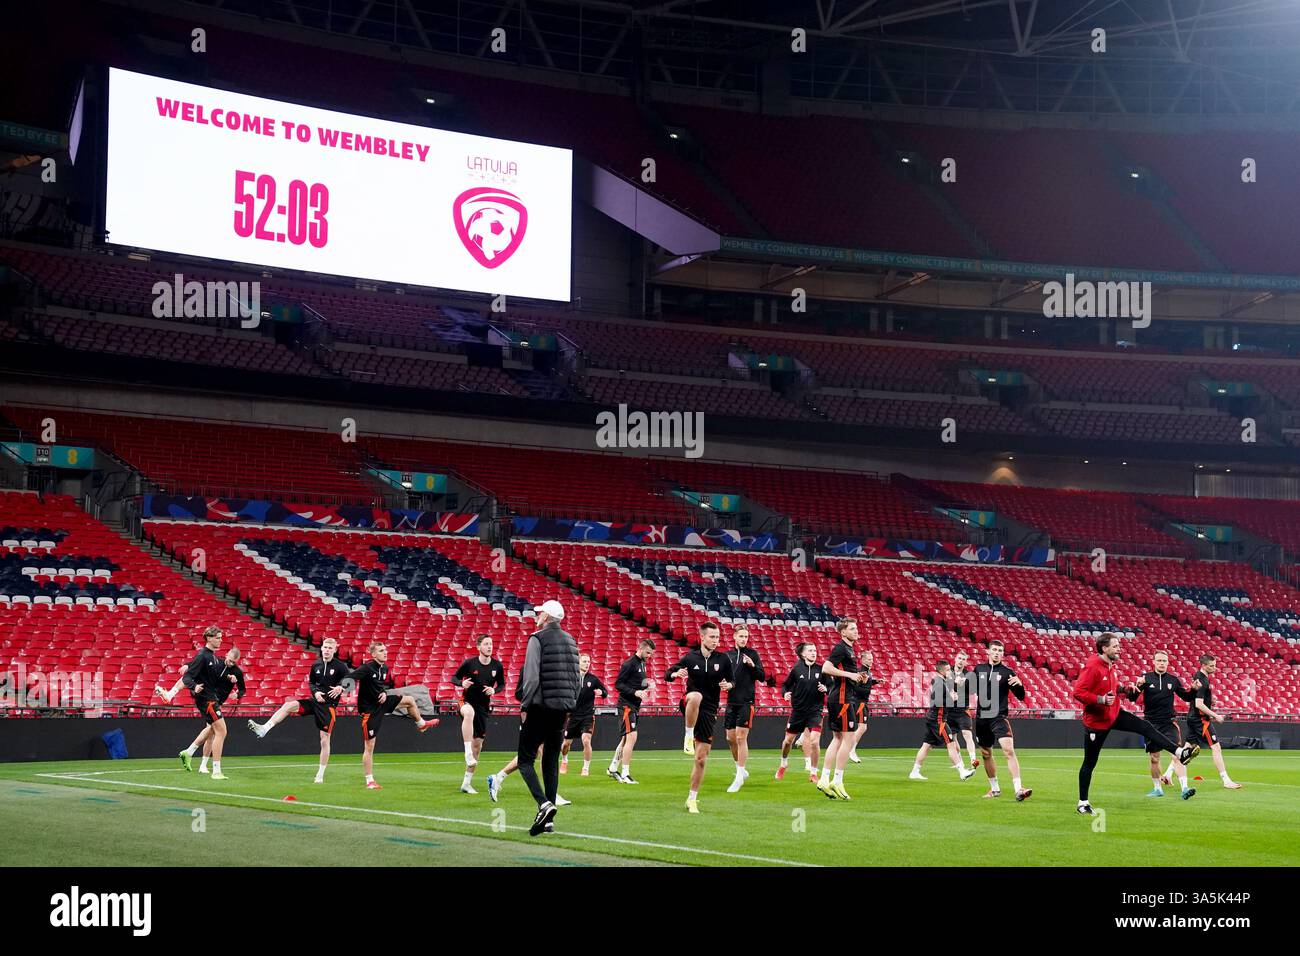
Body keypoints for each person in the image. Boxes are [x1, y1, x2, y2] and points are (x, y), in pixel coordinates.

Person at [1073, 634, 1200, 815]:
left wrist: (1125, 689)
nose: (1119, 648)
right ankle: (1082, 803)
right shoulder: (1093, 666)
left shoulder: (1111, 666)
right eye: (1115, 646)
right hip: (1097, 722)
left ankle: (1180, 752)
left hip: (1114, 713)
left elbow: (1112, 688)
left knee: (1145, 727)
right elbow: (1078, 692)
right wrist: (1100, 699)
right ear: (1104, 648)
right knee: (1090, 762)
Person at [513, 600, 580, 836]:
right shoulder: (571, 641)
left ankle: (543, 805)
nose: (537, 615)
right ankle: (549, 823)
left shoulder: (537, 638)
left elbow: (531, 678)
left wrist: (525, 704)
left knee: (524, 760)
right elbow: (577, 680)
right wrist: (569, 704)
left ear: (547, 616)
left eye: (540, 612)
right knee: (550, 762)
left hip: (540, 708)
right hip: (562, 710)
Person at [248, 637, 350, 783]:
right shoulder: (316, 665)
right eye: (325, 647)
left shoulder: (341, 667)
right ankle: (264, 728)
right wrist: (315, 693)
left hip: (328, 707)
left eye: (330, 648)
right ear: (321, 648)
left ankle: (320, 775)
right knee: (288, 705)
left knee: (324, 740)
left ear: (335, 649)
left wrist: (341, 687)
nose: (327, 650)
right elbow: (312, 683)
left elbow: (351, 683)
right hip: (314, 701)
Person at [664, 621, 734, 813]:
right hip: (690, 703)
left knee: (701, 759)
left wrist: (730, 686)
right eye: (712, 637)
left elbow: (732, 680)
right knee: (696, 695)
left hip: (710, 711)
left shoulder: (724, 659)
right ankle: (688, 735)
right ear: (702, 637)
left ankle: (692, 799)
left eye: (718, 637)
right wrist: (676, 673)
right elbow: (667, 674)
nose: (715, 641)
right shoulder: (690, 657)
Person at [349, 641, 435, 790]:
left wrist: (382, 692)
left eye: (385, 650)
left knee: (409, 700)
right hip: (370, 711)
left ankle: (421, 724)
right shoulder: (366, 668)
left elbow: (378, 687)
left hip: (381, 703)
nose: (385, 652)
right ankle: (369, 781)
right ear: (374, 654)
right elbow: (349, 678)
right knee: (369, 746)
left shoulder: (385, 668)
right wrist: (342, 690)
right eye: (381, 650)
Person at [1130, 650, 1196, 798]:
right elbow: (1133, 698)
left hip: (1168, 723)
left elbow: (1186, 697)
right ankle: (1157, 788)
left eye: (1164, 661)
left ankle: (1185, 788)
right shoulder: (1145, 678)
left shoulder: (1173, 680)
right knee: (1154, 757)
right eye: (1159, 660)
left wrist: (1194, 690)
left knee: (1177, 755)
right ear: (1153, 662)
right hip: (1151, 724)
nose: (1161, 663)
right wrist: (1137, 685)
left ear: (1168, 663)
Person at [971, 640, 1031, 801]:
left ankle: (1019, 789)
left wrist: (1020, 685)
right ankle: (995, 788)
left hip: (998, 717)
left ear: (1002, 654)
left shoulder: (1007, 672)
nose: (997, 653)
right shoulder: (979, 669)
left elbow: (1021, 696)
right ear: (988, 652)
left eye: (1000, 650)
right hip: (982, 718)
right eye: (994, 650)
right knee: (985, 753)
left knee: (1008, 750)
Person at [817, 618, 868, 800]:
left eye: (856, 627)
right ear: (843, 632)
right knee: (848, 738)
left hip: (839, 697)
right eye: (852, 628)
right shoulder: (841, 648)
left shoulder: (849, 649)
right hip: (842, 698)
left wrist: (857, 677)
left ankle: (824, 778)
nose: (856, 630)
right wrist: (851, 675)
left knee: (837, 739)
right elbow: (826, 667)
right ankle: (837, 780)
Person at [452, 635, 506, 794]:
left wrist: (494, 690)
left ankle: (466, 783)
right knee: (468, 713)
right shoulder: (470, 663)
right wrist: (461, 683)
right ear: (479, 647)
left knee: (478, 746)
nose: (490, 646)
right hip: (466, 700)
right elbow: (453, 677)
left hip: (483, 707)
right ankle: (467, 751)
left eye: (491, 644)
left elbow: (502, 684)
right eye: (486, 644)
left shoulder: (497, 665)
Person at [910, 660, 977, 781]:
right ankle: (962, 771)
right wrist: (952, 699)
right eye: (947, 669)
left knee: (926, 745)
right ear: (941, 671)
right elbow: (937, 700)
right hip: (938, 720)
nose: (950, 671)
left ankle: (914, 772)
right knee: (951, 744)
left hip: (933, 718)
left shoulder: (942, 681)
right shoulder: (939, 682)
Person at [1183, 654, 1242, 790]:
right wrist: (1216, 715)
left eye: (1215, 665)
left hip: (1193, 718)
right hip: (1200, 720)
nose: (1214, 668)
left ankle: (1168, 775)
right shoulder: (1201, 679)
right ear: (1203, 665)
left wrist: (1210, 700)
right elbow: (1198, 703)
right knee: (1216, 747)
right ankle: (1226, 780)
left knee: (1187, 750)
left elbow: (1199, 698)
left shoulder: (1202, 677)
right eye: (1211, 666)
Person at [178, 626, 230, 779]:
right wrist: (194, 686)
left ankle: (189, 752)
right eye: (218, 637)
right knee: (221, 731)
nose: (221, 640)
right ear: (209, 638)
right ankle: (216, 771)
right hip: (207, 700)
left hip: (211, 698)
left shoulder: (212, 656)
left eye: (221, 637)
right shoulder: (203, 655)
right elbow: (187, 678)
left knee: (213, 730)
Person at [607, 638, 655, 784]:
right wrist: (635, 692)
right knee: (632, 737)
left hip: (634, 705)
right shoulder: (629, 664)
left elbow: (635, 682)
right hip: (626, 705)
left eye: (651, 654)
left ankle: (613, 767)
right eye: (648, 652)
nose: (649, 656)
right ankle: (626, 773)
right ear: (640, 649)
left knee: (625, 739)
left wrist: (646, 685)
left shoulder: (642, 664)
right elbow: (618, 684)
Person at [723, 626, 764, 793]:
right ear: (734, 637)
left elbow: (761, 676)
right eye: (741, 636)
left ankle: (739, 777)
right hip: (731, 702)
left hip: (747, 701)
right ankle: (740, 769)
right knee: (730, 738)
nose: (744, 639)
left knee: (741, 738)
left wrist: (752, 665)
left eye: (746, 636)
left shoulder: (752, 654)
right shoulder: (727, 655)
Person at [778, 642, 826, 782]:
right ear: (803, 654)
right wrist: (785, 693)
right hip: (798, 712)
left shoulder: (822, 669)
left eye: (815, 650)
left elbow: (830, 685)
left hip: (815, 711)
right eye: (810, 650)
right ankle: (783, 764)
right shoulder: (797, 669)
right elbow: (786, 685)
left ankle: (813, 773)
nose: (813, 652)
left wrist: (826, 688)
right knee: (788, 742)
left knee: (814, 742)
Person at [561, 653, 608, 776]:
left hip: (587, 715)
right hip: (573, 716)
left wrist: (601, 692)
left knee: (586, 740)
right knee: (566, 744)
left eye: (589, 662)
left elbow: (605, 692)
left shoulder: (593, 679)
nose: (587, 664)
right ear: (578, 662)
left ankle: (585, 768)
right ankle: (564, 761)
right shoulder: (571, 678)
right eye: (585, 661)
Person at [847, 649, 881, 764]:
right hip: (859, 701)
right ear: (863, 660)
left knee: (860, 728)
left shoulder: (867, 671)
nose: (871, 661)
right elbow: (855, 687)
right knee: (862, 727)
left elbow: (866, 683)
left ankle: (849, 749)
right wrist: (865, 682)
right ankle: (851, 750)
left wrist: (875, 681)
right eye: (869, 659)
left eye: (872, 659)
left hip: (862, 702)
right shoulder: (861, 671)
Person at [950, 651, 979, 769]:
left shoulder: (968, 675)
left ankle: (973, 759)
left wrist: (964, 684)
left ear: (966, 662)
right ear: (955, 659)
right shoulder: (948, 672)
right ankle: (960, 761)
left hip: (963, 710)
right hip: (950, 711)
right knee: (953, 737)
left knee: (967, 734)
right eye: (959, 658)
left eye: (963, 659)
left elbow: (972, 691)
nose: (961, 661)